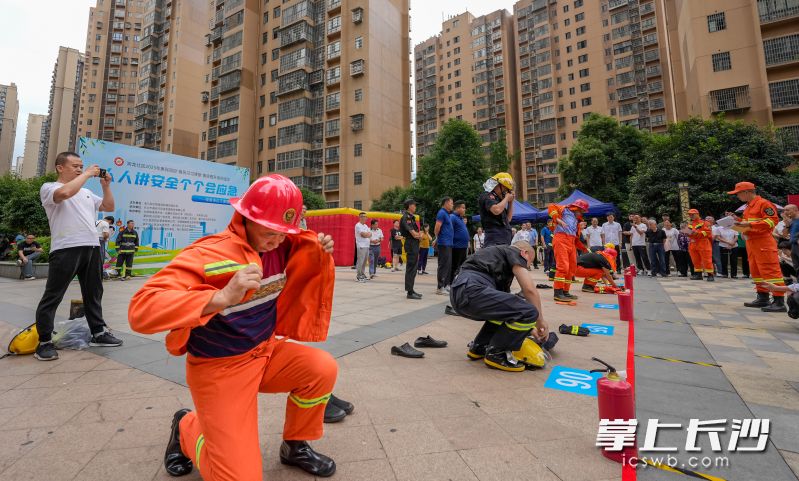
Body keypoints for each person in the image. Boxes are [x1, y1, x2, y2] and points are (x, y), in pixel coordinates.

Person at [129, 174, 341, 479]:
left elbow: (303, 256)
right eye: (269, 232)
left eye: (284, 233)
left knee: (322, 368)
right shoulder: (206, 253)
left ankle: (295, 446)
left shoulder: (288, 246)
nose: (276, 241)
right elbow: (141, 309)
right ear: (246, 218)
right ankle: (187, 428)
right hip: (220, 369)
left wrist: (319, 247)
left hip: (265, 352)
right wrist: (220, 297)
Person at [33, 152, 122, 361]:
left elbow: (109, 207)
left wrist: (106, 186)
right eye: (75, 166)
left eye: (81, 166)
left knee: (94, 292)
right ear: (60, 167)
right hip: (66, 247)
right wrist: (88, 174)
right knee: (53, 295)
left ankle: (98, 332)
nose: (80, 169)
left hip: (91, 246)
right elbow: (64, 193)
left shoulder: (86, 192)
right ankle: (44, 342)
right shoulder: (49, 188)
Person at [449, 241, 549, 372]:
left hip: (459, 294)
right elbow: (529, 290)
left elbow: (509, 311)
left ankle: (480, 346)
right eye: (527, 263)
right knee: (530, 311)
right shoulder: (513, 252)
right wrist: (539, 321)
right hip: (473, 290)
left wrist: (528, 327)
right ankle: (497, 354)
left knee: (508, 311)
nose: (526, 267)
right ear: (524, 253)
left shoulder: (495, 259)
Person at [729, 182, 786, 312]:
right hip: (752, 242)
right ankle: (763, 297)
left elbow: (772, 221)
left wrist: (749, 224)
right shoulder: (748, 206)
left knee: (770, 271)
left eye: (738, 193)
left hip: (763, 242)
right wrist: (737, 221)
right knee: (756, 271)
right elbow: (748, 223)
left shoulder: (764, 204)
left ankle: (779, 301)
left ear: (746, 192)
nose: (737, 196)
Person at [549, 199, 588, 302]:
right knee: (563, 267)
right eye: (582, 211)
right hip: (561, 239)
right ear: (576, 208)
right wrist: (558, 220)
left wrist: (584, 248)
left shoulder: (576, 220)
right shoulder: (565, 210)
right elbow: (551, 206)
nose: (582, 213)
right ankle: (558, 293)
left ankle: (565, 291)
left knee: (571, 268)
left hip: (571, 242)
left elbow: (575, 237)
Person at [477, 172, 515, 246]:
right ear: (499, 185)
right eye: (506, 189)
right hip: (494, 240)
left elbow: (508, 219)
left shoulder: (499, 201)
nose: (506, 192)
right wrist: (506, 198)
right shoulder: (487, 195)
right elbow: (496, 210)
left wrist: (510, 202)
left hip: (504, 240)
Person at [399, 199, 423, 300]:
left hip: (414, 243)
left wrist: (419, 235)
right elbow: (414, 234)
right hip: (411, 243)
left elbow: (417, 233)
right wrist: (419, 235)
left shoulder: (411, 217)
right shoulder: (406, 217)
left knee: (413, 268)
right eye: (414, 205)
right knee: (411, 268)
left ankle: (411, 290)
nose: (415, 207)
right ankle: (409, 292)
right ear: (409, 206)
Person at [685, 209, 714, 281]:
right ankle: (698, 275)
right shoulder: (690, 224)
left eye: (693, 214)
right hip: (693, 244)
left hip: (703, 243)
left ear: (697, 214)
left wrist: (697, 233)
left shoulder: (705, 223)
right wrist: (686, 233)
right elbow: (688, 233)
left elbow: (708, 233)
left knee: (707, 260)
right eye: (690, 215)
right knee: (695, 260)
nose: (691, 216)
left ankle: (710, 275)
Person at [434, 197, 454, 295]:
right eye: (451, 203)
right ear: (446, 203)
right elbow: (437, 227)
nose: (452, 205)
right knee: (443, 265)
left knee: (448, 265)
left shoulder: (447, 214)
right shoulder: (441, 213)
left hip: (448, 243)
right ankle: (440, 287)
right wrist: (437, 238)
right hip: (444, 243)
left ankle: (445, 285)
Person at [450, 201, 469, 286]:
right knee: (454, 266)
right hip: (456, 247)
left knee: (462, 266)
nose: (465, 209)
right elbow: (448, 230)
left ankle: (458, 283)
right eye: (463, 208)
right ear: (457, 208)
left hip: (463, 247)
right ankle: (450, 283)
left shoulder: (460, 218)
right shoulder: (453, 217)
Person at [716, 213, 740, 278]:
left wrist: (732, 243)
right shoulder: (719, 228)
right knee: (724, 260)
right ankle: (724, 274)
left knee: (734, 260)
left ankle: (734, 274)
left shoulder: (734, 227)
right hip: (723, 245)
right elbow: (718, 237)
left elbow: (736, 236)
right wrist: (728, 242)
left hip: (734, 245)